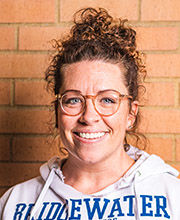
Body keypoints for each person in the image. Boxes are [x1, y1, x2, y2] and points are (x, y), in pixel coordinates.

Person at [0, 7, 180, 220]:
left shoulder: (173, 197)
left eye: (107, 100)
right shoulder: (16, 204)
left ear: (131, 114)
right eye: (74, 100)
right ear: (58, 111)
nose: (89, 117)